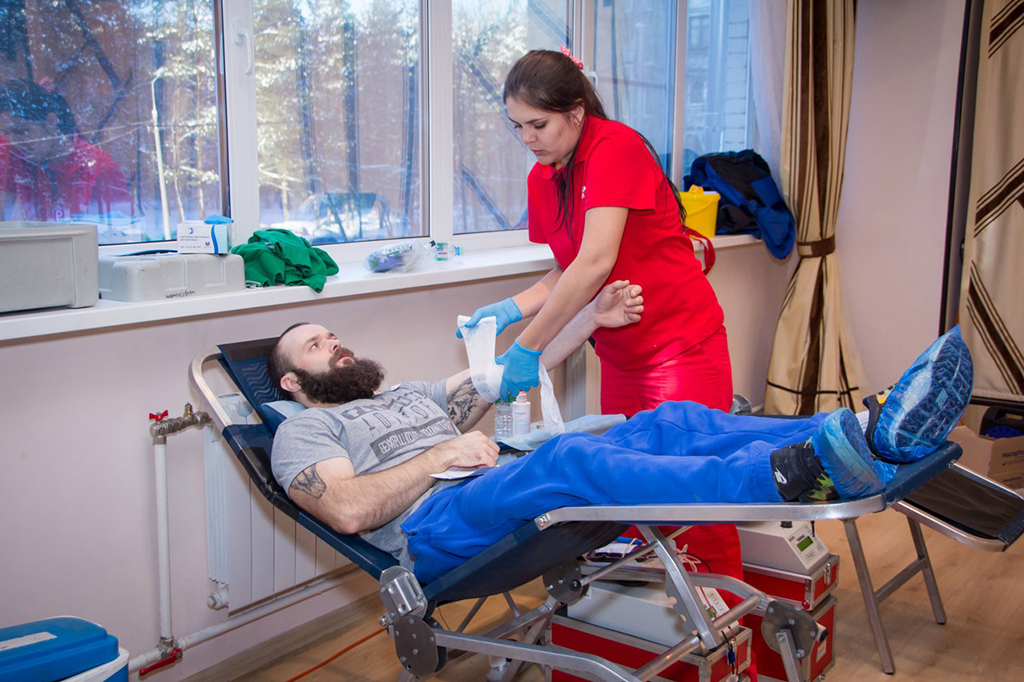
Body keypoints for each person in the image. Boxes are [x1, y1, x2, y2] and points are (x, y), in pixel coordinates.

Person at [268, 290, 973, 584]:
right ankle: (785, 475)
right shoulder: (304, 430)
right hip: (435, 528)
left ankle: (859, 434)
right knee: (573, 457)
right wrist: (442, 452)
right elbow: (349, 511)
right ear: (291, 382)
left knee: (667, 420)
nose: (334, 344)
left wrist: (593, 319)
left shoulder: (409, 396)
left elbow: (519, 370)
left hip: (493, 485)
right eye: (314, 345)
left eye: (332, 334)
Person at [458, 47, 739, 625]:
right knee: (627, 493)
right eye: (517, 126)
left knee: (694, 494)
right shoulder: (545, 176)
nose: (527, 139)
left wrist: (529, 347)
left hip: (680, 345)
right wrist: (508, 309)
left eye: (538, 124)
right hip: (622, 353)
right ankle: (651, 633)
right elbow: (566, 268)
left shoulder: (616, 147)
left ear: (576, 111)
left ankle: (727, 636)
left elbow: (595, 262)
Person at [0, 79, 132, 222]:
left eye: (22, 131)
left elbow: (118, 231)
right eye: (5, 133)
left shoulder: (98, 170)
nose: (14, 141)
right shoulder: (14, 151)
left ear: (51, 122)